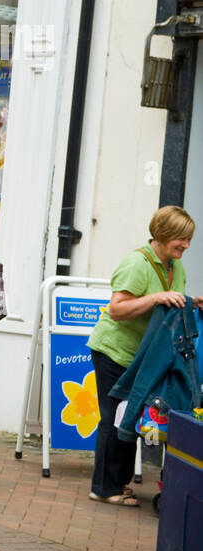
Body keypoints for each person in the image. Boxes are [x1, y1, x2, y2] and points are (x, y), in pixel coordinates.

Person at [86, 206, 195, 506]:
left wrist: (191, 303)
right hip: (114, 351)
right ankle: (104, 487)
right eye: (181, 239)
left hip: (143, 358)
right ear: (163, 234)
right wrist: (156, 297)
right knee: (112, 418)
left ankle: (118, 484)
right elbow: (117, 308)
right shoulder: (137, 263)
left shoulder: (176, 266)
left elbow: (168, 305)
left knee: (130, 417)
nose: (186, 245)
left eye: (189, 239)